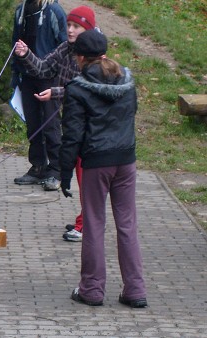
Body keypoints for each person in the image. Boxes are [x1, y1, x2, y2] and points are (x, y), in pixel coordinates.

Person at [61, 29, 147, 308]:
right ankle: (135, 290)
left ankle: (92, 290)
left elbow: (72, 134)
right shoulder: (127, 81)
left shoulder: (77, 88)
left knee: (94, 225)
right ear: (105, 54)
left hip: (97, 163)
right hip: (126, 159)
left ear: (81, 58)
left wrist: (63, 172)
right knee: (127, 224)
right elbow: (130, 115)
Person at [13, 5, 98, 242]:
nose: (70, 30)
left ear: (88, 29)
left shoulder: (94, 56)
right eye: (69, 25)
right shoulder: (65, 48)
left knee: (87, 179)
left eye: (76, 27)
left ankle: (87, 225)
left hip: (91, 128)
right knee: (82, 178)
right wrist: (26, 54)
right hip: (74, 124)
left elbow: (87, 88)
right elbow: (43, 68)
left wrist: (56, 92)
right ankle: (85, 220)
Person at [11, 0, 67, 191]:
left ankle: (56, 170)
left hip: (48, 76)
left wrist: (59, 77)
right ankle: (38, 166)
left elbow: (65, 45)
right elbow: (14, 42)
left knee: (51, 125)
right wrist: (15, 73)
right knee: (33, 124)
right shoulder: (21, 10)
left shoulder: (54, 11)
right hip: (26, 75)